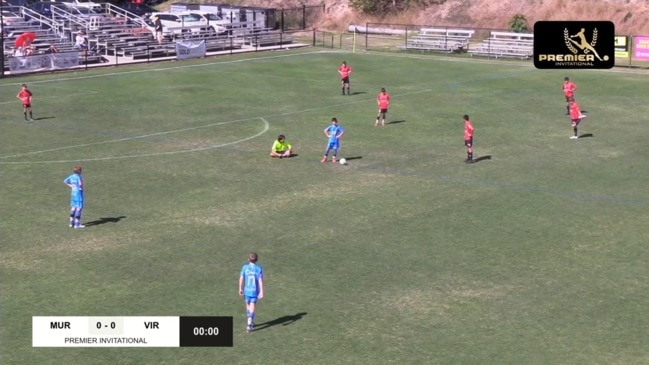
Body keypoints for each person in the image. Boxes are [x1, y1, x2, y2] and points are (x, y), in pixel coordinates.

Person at [239, 252, 264, 333]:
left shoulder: (244, 267)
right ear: (256, 260)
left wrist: (240, 288)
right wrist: (261, 291)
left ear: (248, 259)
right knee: (252, 305)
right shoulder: (258, 268)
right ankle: (250, 322)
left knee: (248, 304)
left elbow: (241, 278)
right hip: (254, 291)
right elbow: (260, 280)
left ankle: (249, 319)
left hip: (247, 291)